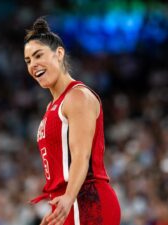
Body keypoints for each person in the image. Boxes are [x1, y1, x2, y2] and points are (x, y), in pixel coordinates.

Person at [24, 17, 121, 225]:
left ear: (59, 54)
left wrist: (68, 198)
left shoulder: (77, 97)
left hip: (86, 200)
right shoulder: (52, 107)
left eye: (38, 55)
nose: (33, 64)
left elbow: (81, 155)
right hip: (66, 202)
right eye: (28, 61)